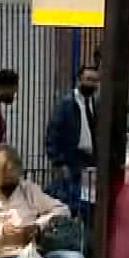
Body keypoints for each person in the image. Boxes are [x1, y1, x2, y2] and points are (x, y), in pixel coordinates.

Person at [45, 64, 99, 206]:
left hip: (91, 161)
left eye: (95, 80)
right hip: (72, 159)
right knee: (71, 200)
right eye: (88, 79)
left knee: (89, 202)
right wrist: (58, 161)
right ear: (79, 80)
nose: (91, 84)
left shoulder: (96, 103)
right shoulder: (67, 103)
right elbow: (53, 133)